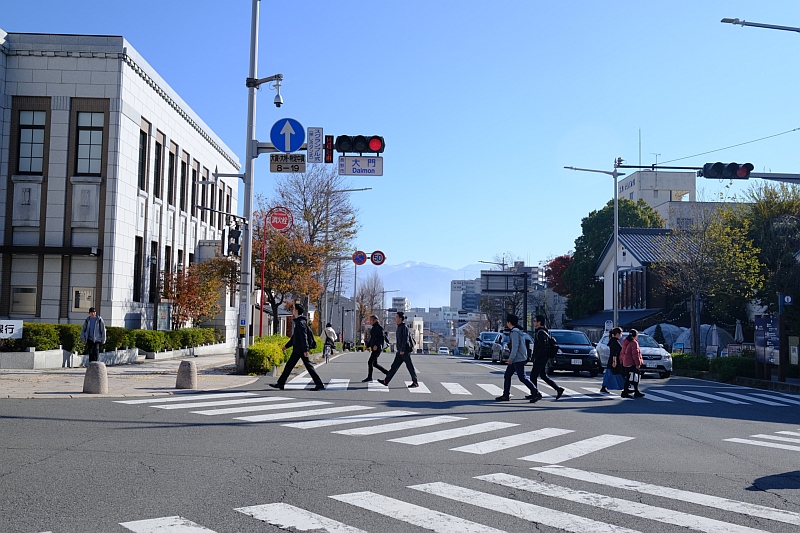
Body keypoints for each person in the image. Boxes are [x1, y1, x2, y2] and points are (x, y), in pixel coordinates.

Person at [269, 304, 325, 391]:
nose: (292, 310)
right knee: (291, 366)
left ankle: (319, 384)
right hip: (299, 349)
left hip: (300, 350)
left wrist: (305, 349)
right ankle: (281, 383)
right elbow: (295, 337)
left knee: (305, 367)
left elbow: (303, 336)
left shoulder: (300, 323)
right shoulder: (300, 322)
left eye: (294, 309)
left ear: (297, 311)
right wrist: (286, 346)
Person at [495, 314, 541, 402]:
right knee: (507, 375)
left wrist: (511, 358)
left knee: (522, 377)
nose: (506, 324)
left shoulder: (515, 332)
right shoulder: (517, 331)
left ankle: (536, 393)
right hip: (519, 357)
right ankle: (506, 395)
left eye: (507, 322)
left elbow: (515, 346)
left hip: (518, 358)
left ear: (509, 323)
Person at [377, 312, 418, 388]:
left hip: (404, 351)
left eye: (396, 317)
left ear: (400, 318)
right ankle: (386, 381)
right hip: (400, 351)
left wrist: (402, 349)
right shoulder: (399, 327)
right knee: (394, 366)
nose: (395, 318)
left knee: (410, 367)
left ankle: (415, 382)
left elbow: (405, 339)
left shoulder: (404, 327)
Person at [529, 314, 564, 401]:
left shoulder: (540, 333)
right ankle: (558, 389)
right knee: (543, 376)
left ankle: (536, 394)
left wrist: (536, 357)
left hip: (541, 358)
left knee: (533, 376)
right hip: (543, 358)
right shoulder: (543, 331)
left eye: (535, 321)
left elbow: (541, 347)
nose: (533, 322)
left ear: (539, 322)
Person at [363, 315, 388, 382]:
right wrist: (368, 346)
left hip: (377, 348)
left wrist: (376, 345)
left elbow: (381, 338)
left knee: (370, 362)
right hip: (375, 347)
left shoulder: (378, 328)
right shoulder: (374, 327)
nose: (370, 321)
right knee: (374, 363)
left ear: (375, 320)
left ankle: (369, 377)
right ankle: (387, 373)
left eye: (371, 320)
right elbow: (372, 339)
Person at [620, 329, 645, 398]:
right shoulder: (634, 343)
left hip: (626, 362)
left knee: (630, 377)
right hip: (632, 363)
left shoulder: (625, 342)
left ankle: (635, 391)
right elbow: (635, 355)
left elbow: (622, 353)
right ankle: (626, 392)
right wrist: (638, 364)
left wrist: (622, 361)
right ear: (635, 335)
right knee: (634, 377)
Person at [600, 327, 625, 393]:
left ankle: (604, 386)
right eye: (620, 333)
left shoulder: (613, 340)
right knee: (613, 373)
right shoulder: (615, 341)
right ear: (617, 334)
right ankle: (624, 387)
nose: (621, 335)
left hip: (613, 360)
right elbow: (614, 352)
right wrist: (614, 361)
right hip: (614, 360)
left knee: (610, 373)